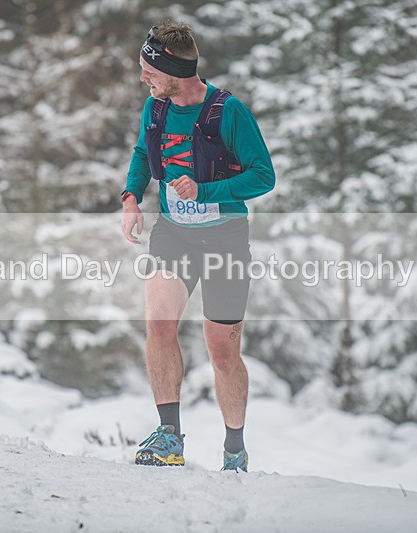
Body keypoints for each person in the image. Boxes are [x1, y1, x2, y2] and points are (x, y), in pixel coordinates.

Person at [120, 20, 274, 473]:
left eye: (149, 69)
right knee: (160, 323)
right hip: (174, 234)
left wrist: (206, 191)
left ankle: (234, 451)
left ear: (174, 70)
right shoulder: (157, 106)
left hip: (225, 238)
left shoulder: (229, 112)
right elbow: (142, 153)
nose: (143, 78)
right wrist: (131, 197)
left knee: (223, 354)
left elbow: (263, 175)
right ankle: (169, 435)